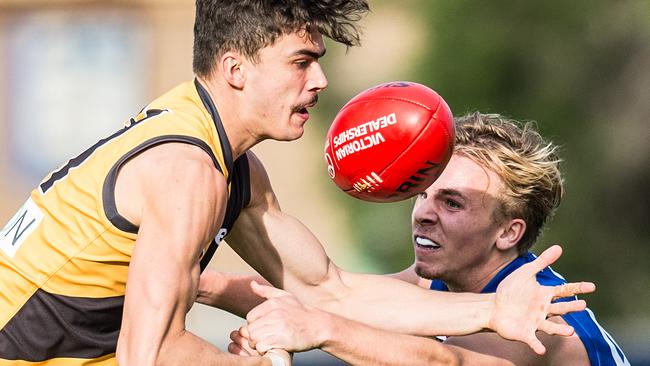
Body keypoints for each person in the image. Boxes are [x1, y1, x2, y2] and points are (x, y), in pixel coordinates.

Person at [0, 0, 592, 364]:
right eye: (301, 61)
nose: (320, 81)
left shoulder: (231, 168)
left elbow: (330, 291)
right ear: (235, 69)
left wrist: (490, 313)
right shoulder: (187, 173)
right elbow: (148, 357)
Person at [227, 113, 628, 365]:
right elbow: (331, 293)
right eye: (423, 194)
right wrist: (195, 285)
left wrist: (319, 329)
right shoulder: (434, 281)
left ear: (509, 232)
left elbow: (447, 362)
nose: (424, 213)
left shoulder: (541, 317)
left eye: (452, 203)